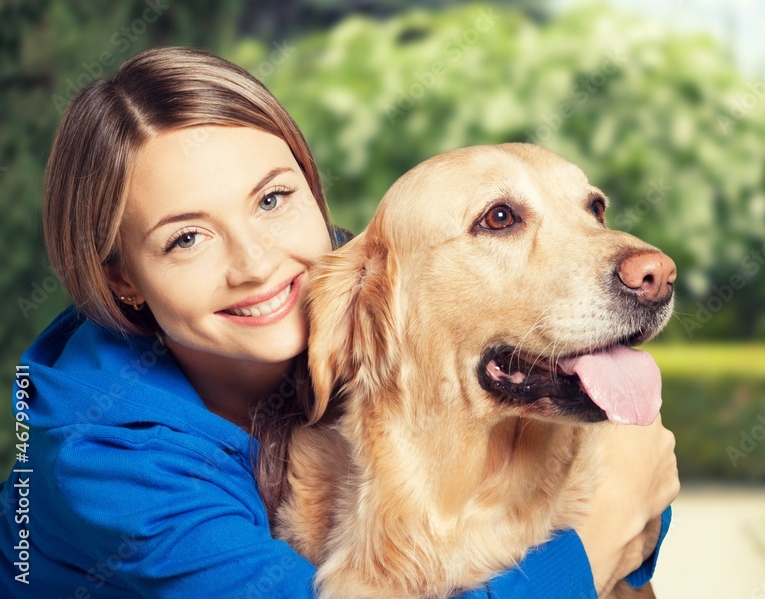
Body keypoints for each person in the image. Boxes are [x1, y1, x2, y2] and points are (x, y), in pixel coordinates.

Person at [0, 47, 680, 598]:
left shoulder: (356, 293)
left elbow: (638, 482)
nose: (258, 265)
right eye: (186, 239)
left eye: (272, 199)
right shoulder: (111, 468)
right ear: (121, 277)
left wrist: (624, 485)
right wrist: (593, 540)